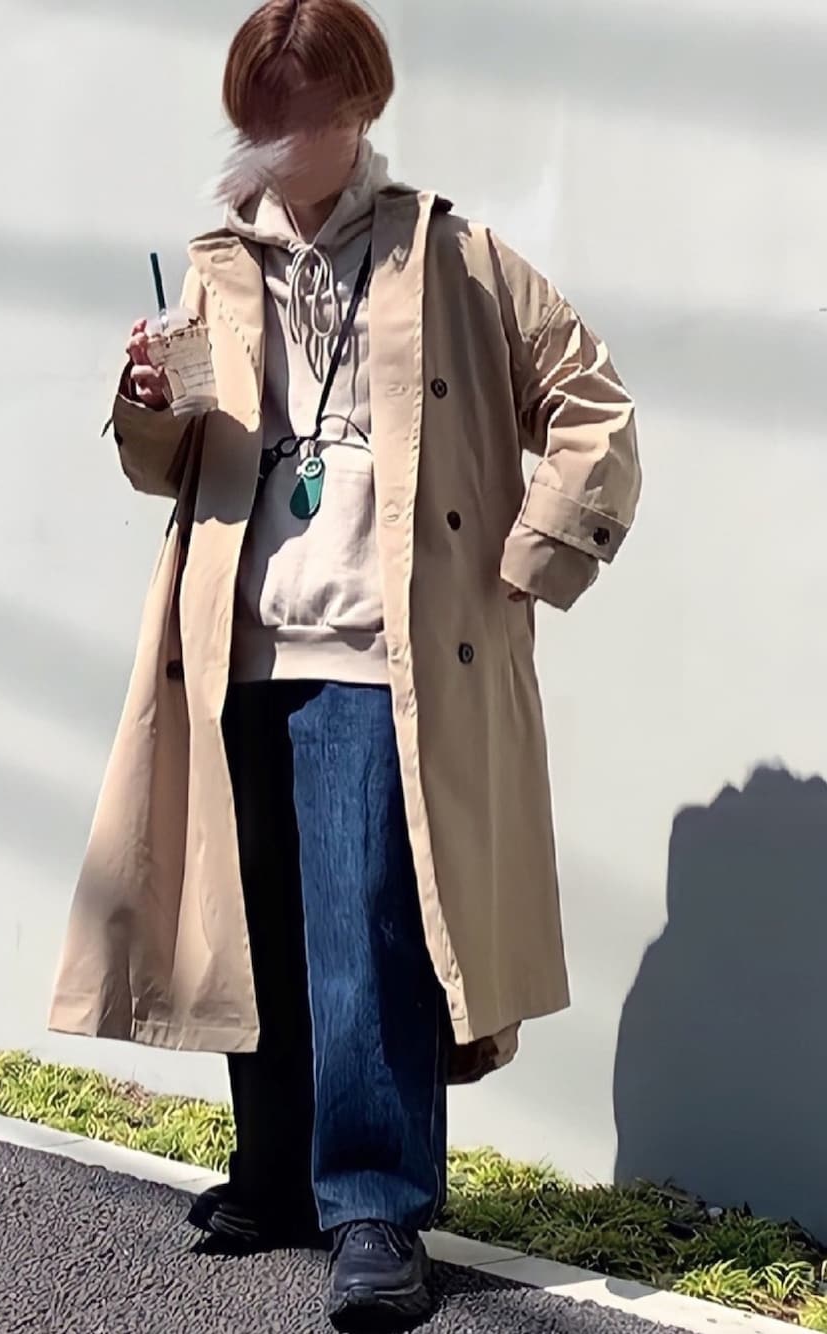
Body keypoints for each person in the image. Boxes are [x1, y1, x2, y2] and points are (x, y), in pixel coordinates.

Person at [50, 0, 641, 1327]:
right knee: (252, 923)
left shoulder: (452, 257)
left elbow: (592, 402)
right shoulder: (217, 267)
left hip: (384, 654)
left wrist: (533, 556)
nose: (270, 133)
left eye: (297, 108)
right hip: (236, 640)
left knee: (367, 932)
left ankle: (376, 1206)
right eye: (255, 109)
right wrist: (144, 404)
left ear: (359, 108)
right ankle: (275, 1172)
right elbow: (176, 458)